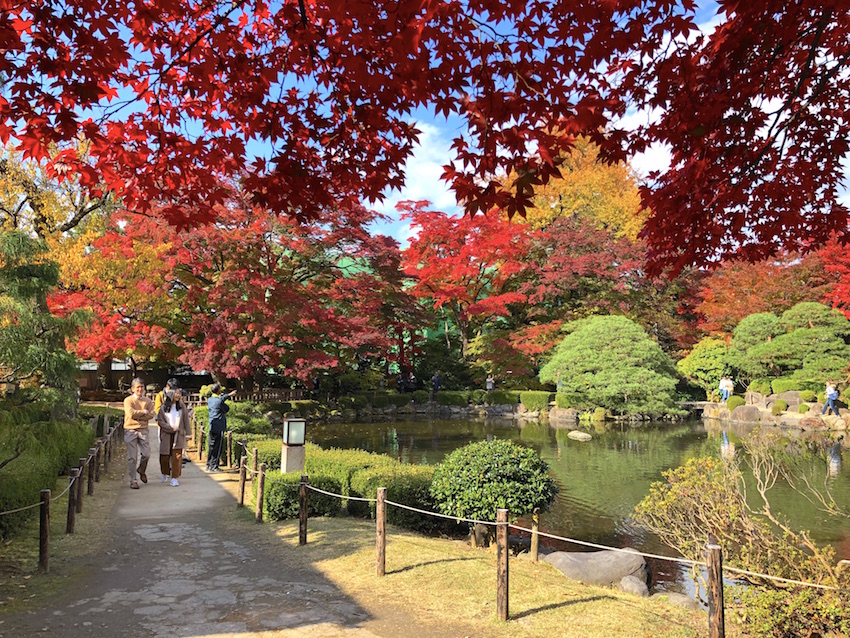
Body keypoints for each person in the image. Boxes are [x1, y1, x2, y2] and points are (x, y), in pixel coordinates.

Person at [123, 378, 155, 489]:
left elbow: (151, 415)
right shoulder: (128, 400)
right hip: (130, 430)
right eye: (138, 387)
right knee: (132, 457)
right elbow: (131, 414)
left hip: (143, 430)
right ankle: (133, 480)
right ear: (132, 389)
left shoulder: (148, 401)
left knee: (146, 454)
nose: (140, 389)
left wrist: (139, 416)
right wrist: (143, 413)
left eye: (142, 387)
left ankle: (141, 470)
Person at [156, 386, 192, 486]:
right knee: (164, 456)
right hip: (166, 435)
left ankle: (175, 477)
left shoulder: (181, 406)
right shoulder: (163, 408)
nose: (178, 395)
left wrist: (188, 434)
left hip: (178, 435)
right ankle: (165, 472)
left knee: (177, 457)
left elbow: (186, 421)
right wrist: (170, 427)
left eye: (178, 393)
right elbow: (160, 421)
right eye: (175, 393)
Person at [207, 383, 236, 472]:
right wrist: (229, 395)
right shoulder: (219, 401)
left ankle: (208, 464)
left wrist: (225, 396)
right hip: (219, 426)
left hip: (212, 426)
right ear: (218, 391)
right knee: (217, 447)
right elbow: (226, 408)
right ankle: (214, 466)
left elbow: (221, 399)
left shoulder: (210, 399)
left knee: (211, 446)